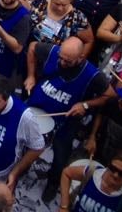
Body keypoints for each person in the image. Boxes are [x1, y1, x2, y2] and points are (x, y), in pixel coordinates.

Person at [24, 37, 114, 199]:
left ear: (81, 58)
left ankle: (53, 183)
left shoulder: (92, 74)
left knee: (60, 154)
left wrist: (85, 105)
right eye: (61, 58)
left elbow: (110, 95)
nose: (62, 63)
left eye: (68, 61)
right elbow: (32, 47)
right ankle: (20, 166)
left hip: (66, 120)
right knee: (24, 139)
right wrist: (31, 76)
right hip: (37, 106)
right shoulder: (53, 51)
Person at [56, 150, 122, 212]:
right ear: (108, 164)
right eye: (113, 169)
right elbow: (66, 173)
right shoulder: (93, 173)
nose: (115, 175)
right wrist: (64, 206)